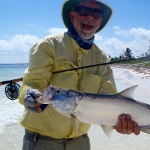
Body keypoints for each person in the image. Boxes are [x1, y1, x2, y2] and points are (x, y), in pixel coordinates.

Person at [18, 0, 140, 149]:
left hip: (81, 142)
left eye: (96, 13)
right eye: (83, 11)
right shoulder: (48, 46)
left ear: (100, 21)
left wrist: (119, 124)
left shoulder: (102, 58)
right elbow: (32, 83)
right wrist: (31, 95)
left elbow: (110, 103)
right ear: (72, 16)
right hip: (42, 142)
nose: (90, 16)